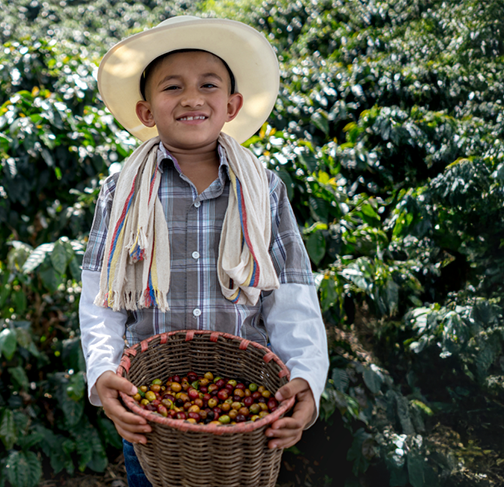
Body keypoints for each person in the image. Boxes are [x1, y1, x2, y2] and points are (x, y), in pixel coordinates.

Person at [78, 16, 329, 486]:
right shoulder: (121, 192)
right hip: (152, 413)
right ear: (146, 111)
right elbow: (101, 295)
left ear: (232, 105)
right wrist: (103, 373)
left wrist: (307, 377)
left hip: (247, 416)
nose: (192, 98)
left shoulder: (263, 190)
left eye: (208, 85)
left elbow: (291, 292)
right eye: (172, 87)